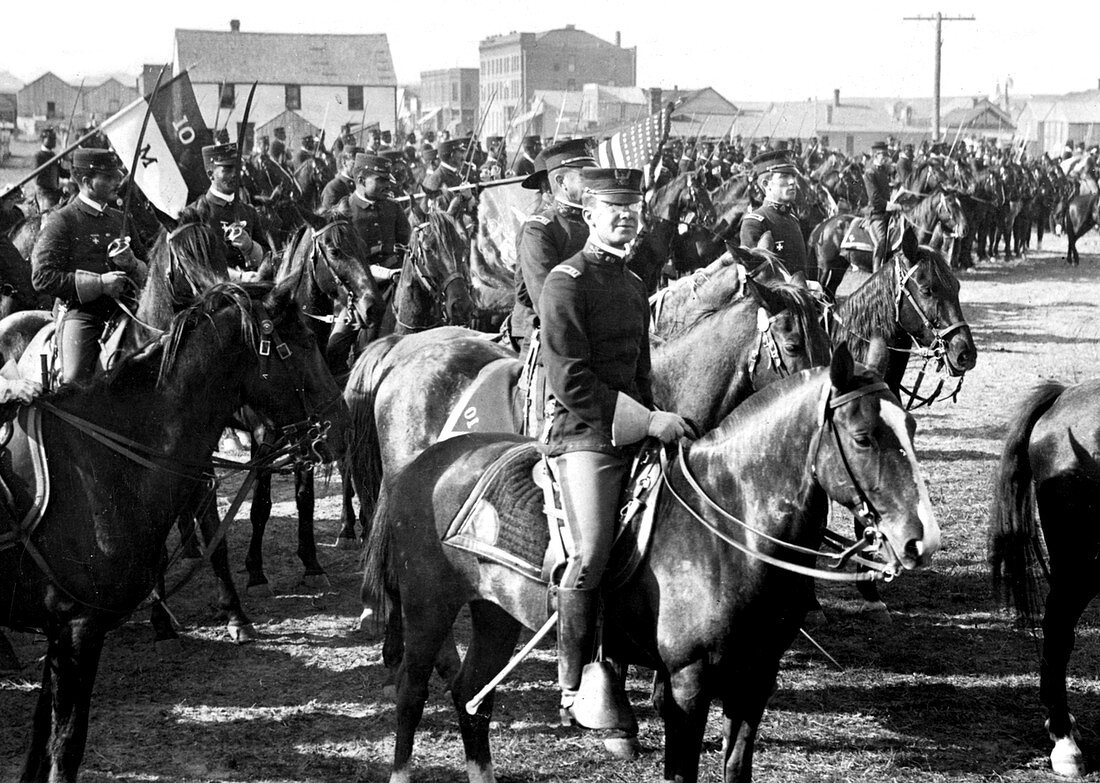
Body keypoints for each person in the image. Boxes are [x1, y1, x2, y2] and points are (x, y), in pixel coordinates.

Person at [539, 167, 690, 727]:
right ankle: (571, 686)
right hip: (583, 433)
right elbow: (571, 381)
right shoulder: (566, 282)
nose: (624, 216)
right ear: (589, 215)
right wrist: (645, 423)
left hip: (635, 428)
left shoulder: (632, 286)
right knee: (592, 554)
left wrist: (658, 423)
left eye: (631, 208)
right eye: (612, 208)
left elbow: (641, 373)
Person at [31, 148, 148, 384]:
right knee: (75, 382)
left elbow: (148, 270)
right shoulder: (63, 220)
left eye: (117, 175)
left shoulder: (121, 219)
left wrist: (133, 264)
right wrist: (99, 284)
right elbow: (42, 277)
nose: (117, 182)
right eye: (108, 177)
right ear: (87, 182)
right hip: (83, 314)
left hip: (130, 310)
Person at [509, 137, 595, 355]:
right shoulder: (539, 228)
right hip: (540, 327)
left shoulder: (594, 220)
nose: (594, 183)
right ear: (559, 182)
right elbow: (535, 296)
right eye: (585, 176)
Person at [330, 152, 410, 370]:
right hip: (358, 289)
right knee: (335, 348)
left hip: (397, 279)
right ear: (361, 180)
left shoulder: (392, 207)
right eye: (380, 180)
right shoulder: (344, 212)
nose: (387, 186)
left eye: (387, 180)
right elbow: (343, 263)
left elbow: (407, 244)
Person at [187, 142, 269, 279]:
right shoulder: (195, 214)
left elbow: (268, 257)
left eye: (237, 168)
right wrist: (240, 277)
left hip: (255, 288)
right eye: (227, 169)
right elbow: (196, 265)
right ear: (210, 174)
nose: (235, 175)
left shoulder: (249, 212)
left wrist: (250, 247)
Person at [739, 149, 813, 283]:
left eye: (793, 176)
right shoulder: (754, 222)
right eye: (784, 177)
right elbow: (756, 281)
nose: (792, 182)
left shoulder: (792, 218)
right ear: (767, 185)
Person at [863, 140, 893, 270]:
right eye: (883, 155)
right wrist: (890, 205)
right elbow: (874, 198)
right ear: (876, 155)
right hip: (876, 214)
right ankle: (876, 271)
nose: (886, 158)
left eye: (886, 155)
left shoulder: (883, 171)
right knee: (881, 241)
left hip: (887, 212)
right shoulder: (870, 173)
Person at [33, 128, 67, 212]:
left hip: (55, 192)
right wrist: (61, 183)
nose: (54, 141)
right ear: (42, 139)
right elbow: (38, 180)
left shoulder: (53, 155)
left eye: (54, 138)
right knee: (49, 216)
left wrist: (68, 160)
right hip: (44, 194)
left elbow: (63, 173)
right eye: (50, 138)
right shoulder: (38, 156)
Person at [320, 145, 362, 211]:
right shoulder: (333, 187)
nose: (358, 168)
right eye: (354, 163)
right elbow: (329, 216)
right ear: (344, 163)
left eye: (360, 165)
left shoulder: (362, 184)